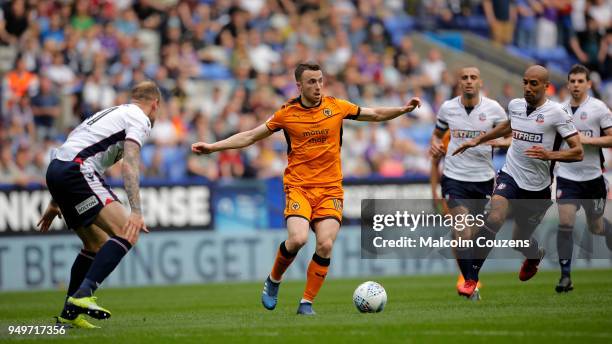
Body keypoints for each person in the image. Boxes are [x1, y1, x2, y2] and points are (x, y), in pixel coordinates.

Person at [192, 62, 420, 315]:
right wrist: (213, 147)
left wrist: (403, 109)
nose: (318, 86)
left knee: (325, 244)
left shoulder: (336, 107)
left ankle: (306, 303)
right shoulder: (286, 114)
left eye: (320, 80)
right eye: (311, 82)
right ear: (299, 85)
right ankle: (274, 279)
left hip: (330, 189)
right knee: (298, 239)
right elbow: (250, 136)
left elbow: (375, 114)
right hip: (299, 186)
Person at [37, 81, 161, 328]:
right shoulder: (139, 118)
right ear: (155, 105)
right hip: (77, 170)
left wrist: (55, 201)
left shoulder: (111, 113)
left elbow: (70, 146)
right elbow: (130, 163)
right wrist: (136, 211)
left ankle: (68, 315)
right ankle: (83, 295)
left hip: (58, 169)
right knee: (128, 229)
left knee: (95, 244)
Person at [453, 65, 583, 298]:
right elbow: (507, 125)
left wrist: (549, 155)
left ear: (546, 86)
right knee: (494, 217)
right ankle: (472, 278)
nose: (528, 88)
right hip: (510, 175)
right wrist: (478, 140)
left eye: (534, 84)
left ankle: (534, 256)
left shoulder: (557, 114)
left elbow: (578, 151)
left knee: (519, 240)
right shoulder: (515, 105)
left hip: (538, 188)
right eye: (525, 82)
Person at [430, 67, 508, 300]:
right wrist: (435, 144)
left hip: (483, 179)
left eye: (473, 77)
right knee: (461, 230)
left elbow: (512, 138)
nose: (468, 81)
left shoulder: (494, 109)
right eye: (464, 77)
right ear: (459, 82)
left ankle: (469, 277)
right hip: (454, 178)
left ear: (480, 82)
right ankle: (469, 283)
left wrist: (484, 141)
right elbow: (437, 134)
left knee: (474, 236)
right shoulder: (447, 108)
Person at [555, 64, 612, 293]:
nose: (576, 85)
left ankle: (608, 230)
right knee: (565, 222)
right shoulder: (558, 110)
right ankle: (565, 277)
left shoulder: (599, 109)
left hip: (592, 178)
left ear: (588, 84)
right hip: (567, 176)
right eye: (573, 81)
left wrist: (586, 141)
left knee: (595, 227)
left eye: (581, 81)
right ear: (568, 84)